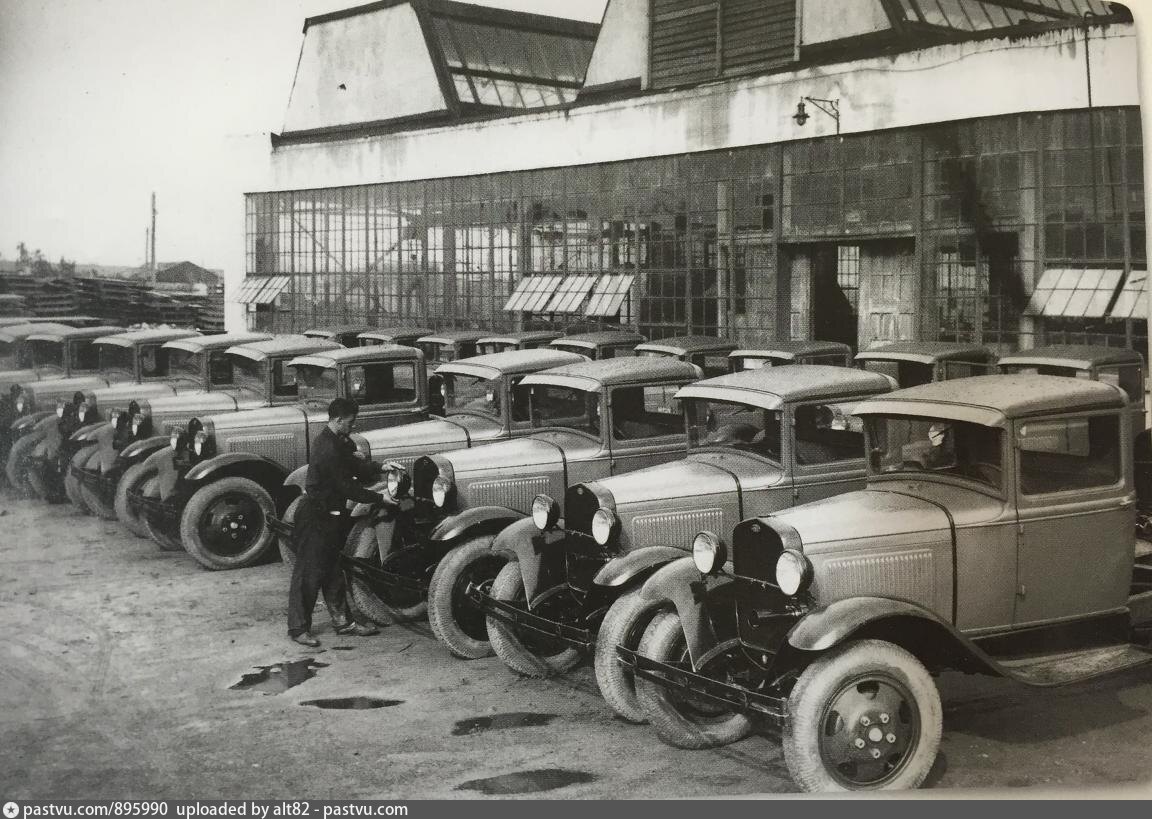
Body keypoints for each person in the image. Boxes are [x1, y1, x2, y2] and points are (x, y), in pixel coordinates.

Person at [287, 397, 385, 647]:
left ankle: (344, 622)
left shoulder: (337, 441)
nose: (353, 427)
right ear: (338, 420)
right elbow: (347, 487)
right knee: (308, 575)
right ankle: (298, 629)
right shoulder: (327, 449)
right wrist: (379, 498)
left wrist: (382, 467)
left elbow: (355, 466)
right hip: (316, 517)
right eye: (351, 423)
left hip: (331, 517)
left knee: (332, 571)